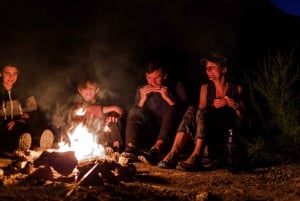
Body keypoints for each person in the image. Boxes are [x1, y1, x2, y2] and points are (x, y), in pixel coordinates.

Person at [157, 52, 247, 171]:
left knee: (202, 111)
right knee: (192, 110)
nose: (208, 70)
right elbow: (200, 116)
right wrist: (213, 106)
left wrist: (236, 107)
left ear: (224, 69)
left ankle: (196, 156)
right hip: (208, 129)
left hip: (225, 131)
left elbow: (244, 120)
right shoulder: (205, 88)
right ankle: (173, 153)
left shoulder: (237, 88)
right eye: (207, 68)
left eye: (212, 67)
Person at [122, 61, 188, 165]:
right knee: (134, 110)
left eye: (157, 78)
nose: (153, 82)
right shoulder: (142, 89)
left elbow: (186, 114)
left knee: (171, 108)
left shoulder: (177, 86)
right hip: (151, 130)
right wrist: (142, 100)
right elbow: (134, 116)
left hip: (171, 131)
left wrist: (168, 98)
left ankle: (156, 151)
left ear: (164, 76)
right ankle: (130, 149)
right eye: (149, 78)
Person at [0, 64, 54, 155]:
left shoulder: (24, 92)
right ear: (1, 74)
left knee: (30, 126)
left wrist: (18, 120)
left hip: (21, 125)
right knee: (9, 131)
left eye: (14, 74)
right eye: (8, 73)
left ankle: (35, 142)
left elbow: (34, 113)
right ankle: (18, 147)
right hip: (4, 127)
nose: (11, 77)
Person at [68, 76, 124, 153]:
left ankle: (116, 149)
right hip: (87, 137)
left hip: (104, 135)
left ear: (97, 90)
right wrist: (113, 108)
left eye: (91, 88)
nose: (88, 91)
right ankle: (101, 148)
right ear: (80, 90)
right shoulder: (77, 104)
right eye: (85, 88)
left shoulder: (103, 101)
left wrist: (113, 115)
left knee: (114, 120)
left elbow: (120, 111)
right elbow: (90, 110)